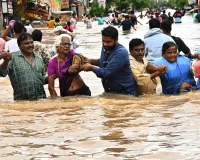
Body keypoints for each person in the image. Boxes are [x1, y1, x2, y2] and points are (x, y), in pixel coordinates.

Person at [81, 26, 137, 96]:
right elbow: (103, 63)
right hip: (111, 93)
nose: (105, 44)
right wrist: (89, 61)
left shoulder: (121, 52)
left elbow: (106, 73)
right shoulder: (105, 48)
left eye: (108, 42)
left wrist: (91, 68)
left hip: (125, 93)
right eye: (103, 41)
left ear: (116, 40)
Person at [0, 33, 47, 100]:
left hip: (41, 99)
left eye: (31, 42)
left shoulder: (39, 58)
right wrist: (6, 61)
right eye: (26, 43)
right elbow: (2, 73)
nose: (30, 45)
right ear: (19, 46)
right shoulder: (12, 58)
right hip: (22, 101)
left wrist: (50, 77)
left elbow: (42, 77)